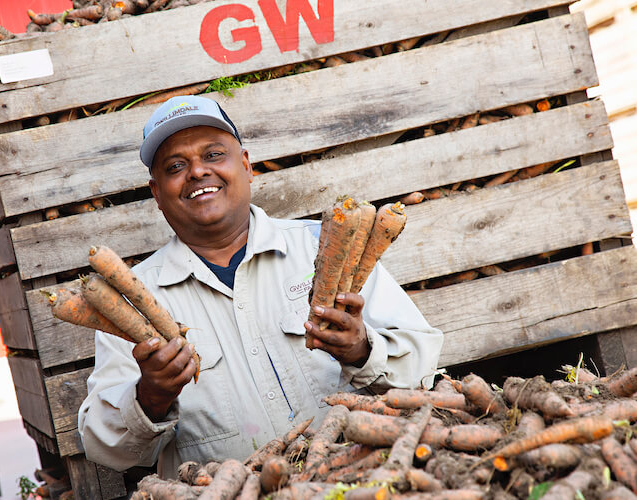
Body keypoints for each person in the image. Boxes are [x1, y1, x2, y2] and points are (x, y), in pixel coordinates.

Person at [78, 95, 443, 477]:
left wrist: (362, 350)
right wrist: (150, 397)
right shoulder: (130, 303)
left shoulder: (327, 248)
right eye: (176, 166)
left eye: (214, 155)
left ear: (246, 165)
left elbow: (423, 368)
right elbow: (104, 448)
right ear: (157, 193)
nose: (198, 172)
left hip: (363, 479)